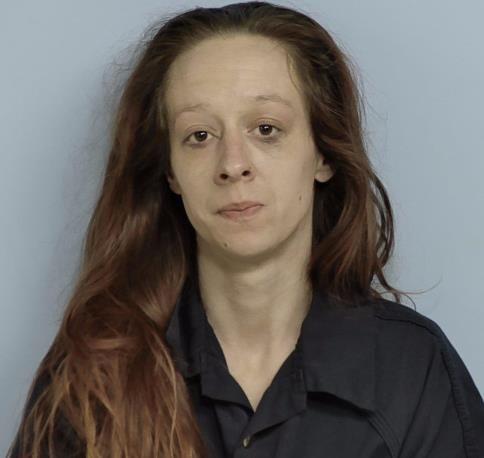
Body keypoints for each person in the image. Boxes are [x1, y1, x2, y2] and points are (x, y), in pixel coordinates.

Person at [7, 1, 484, 457]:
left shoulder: (412, 366)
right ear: (171, 171)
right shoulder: (94, 368)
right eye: (199, 136)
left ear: (322, 153)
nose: (233, 164)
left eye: (266, 129)